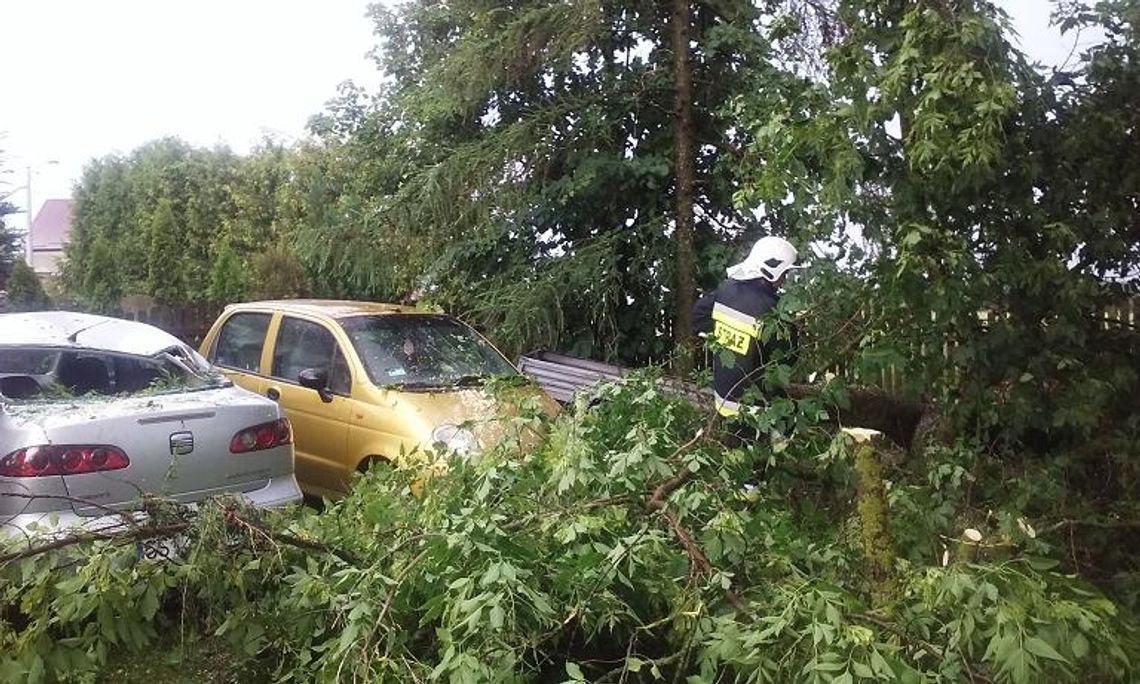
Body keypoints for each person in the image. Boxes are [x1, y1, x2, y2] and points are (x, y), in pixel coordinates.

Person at [692, 236, 803, 444]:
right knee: (753, 465)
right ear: (772, 269)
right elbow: (787, 361)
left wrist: (724, 339)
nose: (785, 280)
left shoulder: (726, 290)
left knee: (736, 453)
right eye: (785, 273)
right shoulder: (774, 312)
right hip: (755, 407)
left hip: (724, 398)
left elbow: (698, 317)